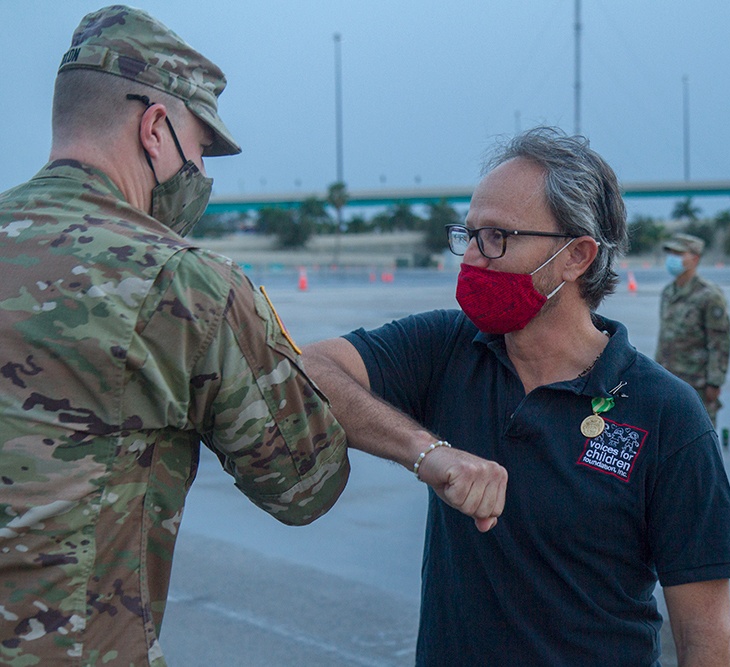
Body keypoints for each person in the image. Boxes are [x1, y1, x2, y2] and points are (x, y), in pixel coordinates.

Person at [0, 7, 505, 665]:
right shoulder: (185, 282)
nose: (201, 174)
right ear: (154, 129)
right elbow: (305, 485)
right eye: (199, 150)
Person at [304, 127, 730, 666]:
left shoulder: (667, 414)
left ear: (576, 256)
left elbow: (707, 640)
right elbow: (307, 370)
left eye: (497, 237)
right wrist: (428, 452)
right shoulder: (448, 348)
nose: (472, 258)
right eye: (468, 235)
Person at [655, 233, 730, 426]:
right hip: (668, 378)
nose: (672, 258)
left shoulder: (709, 295)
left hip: (697, 382)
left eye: (679, 254)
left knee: (699, 432)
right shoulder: (668, 292)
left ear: (695, 259)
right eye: (671, 253)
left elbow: (720, 342)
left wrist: (715, 381)